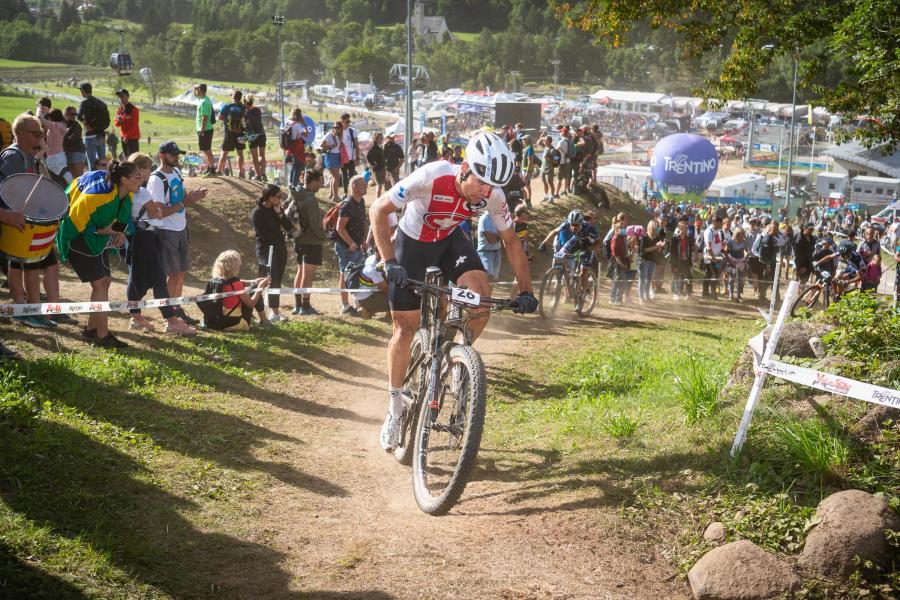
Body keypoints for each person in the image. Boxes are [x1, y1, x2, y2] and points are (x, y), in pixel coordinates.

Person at [369, 131, 537, 452]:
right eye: (482, 183)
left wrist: (526, 291)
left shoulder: (494, 195)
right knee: (404, 328)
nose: (486, 192)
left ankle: (459, 362)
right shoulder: (432, 176)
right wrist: (389, 262)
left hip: (449, 242)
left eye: (492, 187)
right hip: (413, 244)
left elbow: (511, 241)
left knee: (480, 299)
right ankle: (395, 409)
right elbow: (378, 209)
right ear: (464, 169)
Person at [0, 114, 75, 330]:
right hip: (14, 223)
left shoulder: (30, 156)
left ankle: (34, 310)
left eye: (42, 132)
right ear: (21, 134)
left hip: (28, 223)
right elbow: (7, 191)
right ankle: (22, 312)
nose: (41, 136)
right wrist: (10, 216)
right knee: (17, 265)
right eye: (36, 133)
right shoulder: (12, 158)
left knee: (31, 267)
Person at [57, 160, 141, 348]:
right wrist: (102, 231)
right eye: (137, 176)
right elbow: (72, 223)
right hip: (76, 237)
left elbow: (122, 218)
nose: (141, 179)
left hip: (97, 239)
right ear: (124, 179)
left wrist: (119, 232)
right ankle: (102, 336)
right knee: (100, 283)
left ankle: (91, 329)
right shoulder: (95, 196)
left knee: (105, 282)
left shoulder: (127, 195)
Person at [124, 152, 196, 335]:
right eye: (148, 168)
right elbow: (157, 213)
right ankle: (170, 320)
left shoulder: (127, 192)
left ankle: (137, 317)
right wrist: (180, 205)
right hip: (145, 238)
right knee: (156, 279)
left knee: (139, 279)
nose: (150, 172)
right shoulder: (142, 192)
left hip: (136, 238)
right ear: (140, 170)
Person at [148, 141, 209, 326]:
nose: (176, 157)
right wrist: (185, 203)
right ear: (162, 156)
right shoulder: (156, 179)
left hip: (181, 228)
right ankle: (170, 317)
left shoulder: (176, 172)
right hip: (167, 232)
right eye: (173, 154)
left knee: (181, 273)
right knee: (173, 275)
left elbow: (181, 197)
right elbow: (157, 212)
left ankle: (177, 309)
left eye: (177, 154)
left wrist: (193, 196)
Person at [285, 169, 326, 315]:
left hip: (298, 239)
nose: (321, 185)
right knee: (308, 274)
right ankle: (306, 306)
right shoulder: (311, 199)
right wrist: (323, 236)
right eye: (320, 182)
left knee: (300, 271)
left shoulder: (295, 194)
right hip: (311, 241)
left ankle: (298, 304)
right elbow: (314, 224)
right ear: (313, 181)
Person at [251, 184, 293, 323]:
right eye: (278, 196)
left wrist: (280, 214)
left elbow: (289, 227)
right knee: (265, 281)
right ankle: (254, 311)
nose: (280, 199)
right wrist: (279, 232)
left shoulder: (277, 209)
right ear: (269, 197)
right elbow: (264, 235)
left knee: (277, 280)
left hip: (280, 248)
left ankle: (274, 313)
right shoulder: (257, 212)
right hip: (266, 251)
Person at [202, 250, 271, 331]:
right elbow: (251, 304)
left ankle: (262, 320)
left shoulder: (215, 281)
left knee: (253, 287)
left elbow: (236, 283)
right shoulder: (235, 283)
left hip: (217, 320)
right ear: (234, 267)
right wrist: (260, 287)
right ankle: (264, 320)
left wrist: (252, 281)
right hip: (234, 322)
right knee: (254, 290)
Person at [335, 175, 369, 315]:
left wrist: (364, 241)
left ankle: (357, 302)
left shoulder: (361, 202)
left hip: (358, 245)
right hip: (345, 247)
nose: (366, 186)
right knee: (344, 274)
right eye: (363, 184)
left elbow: (362, 222)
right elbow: (339, 227)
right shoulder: (347, 204)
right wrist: (351, 243)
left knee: (358, 274)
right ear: (354, 186)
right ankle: (345, 305)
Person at [76, 83, 110, 170]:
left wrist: (86, 124)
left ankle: (94, 181)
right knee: (103, 162)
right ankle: (104, 179)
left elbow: (79, 116)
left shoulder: (84, 103)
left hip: (90, 136)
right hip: (101, 135)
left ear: (83, 91)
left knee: (92, 163)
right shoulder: (100, 102)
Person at [36, 102, 71, 184]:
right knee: (65, 177)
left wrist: (39, 108)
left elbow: (39, 117)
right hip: (60, 155)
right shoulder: (62, 125)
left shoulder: (53, 126)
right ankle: (72, 191)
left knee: (53, 179)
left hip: (53, 157)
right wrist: (49, 111)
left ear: (52, 117)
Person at [216, 90, 246, 178]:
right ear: (240, 98)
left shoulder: (227, 106)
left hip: (229, 133)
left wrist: (227, 120)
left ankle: (219, 170)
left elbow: (220, 117)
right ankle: (241, 172)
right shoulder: (243, 107)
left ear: (233, 97)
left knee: (224, 153)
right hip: (240, 133)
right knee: (240, 153)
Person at [355, 251, 389, 319]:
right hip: (366, 299)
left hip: (363, 294)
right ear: (378, 253)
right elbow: (386, 289)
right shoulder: (373, 270)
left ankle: (365, 308)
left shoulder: (371, 258)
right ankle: (367, 311)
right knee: (396, 300)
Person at [638, 220, 666, 303]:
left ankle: (647, 296)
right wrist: (655, 247)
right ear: (650, 228)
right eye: (655, 227)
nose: (656, 229)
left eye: (657, 227)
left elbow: (658, 251)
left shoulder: (657, 238)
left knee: (649, 280)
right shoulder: (644, 238)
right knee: (642, 280)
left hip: (652, 261)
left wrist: (661, 246)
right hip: (644, 261)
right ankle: (641, 298)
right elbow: (643, 251)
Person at [243, 95, 267, 182]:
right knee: (262, 155)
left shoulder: (246, 114)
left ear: (245, 102)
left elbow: (247, 125)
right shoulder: (258, 110)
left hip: (252, 136)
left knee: (255, 157)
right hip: (261, 133)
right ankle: (263, 174)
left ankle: (258, 175)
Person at [669, 217, 694, 300]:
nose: (684, 230)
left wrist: (690, 262)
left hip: (685, 261)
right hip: (676, 262)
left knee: (688, 277)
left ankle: (688, 294)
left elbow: (690, 252)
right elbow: (672, 253)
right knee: (676, 277)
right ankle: (676, 293)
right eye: (682, 228)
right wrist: (674, 265)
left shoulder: (688, 239)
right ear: (679, 228)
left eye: (685, 228)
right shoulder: (674, 239)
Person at [194, 84, 216, 176]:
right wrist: (194, 88)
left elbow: (205, 117)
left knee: (207, 150)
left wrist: (202, 130)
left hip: (205, 130)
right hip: (203, 129)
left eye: (197, 89)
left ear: (200, 90)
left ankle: (212, 169)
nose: (196, 91)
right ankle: (209, 168)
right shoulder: (202, 99)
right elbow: (195, 95)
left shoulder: (204, 102)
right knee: (205, 150)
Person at [285, 108, 309, 188]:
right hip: (297, 147)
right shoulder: (296, 125)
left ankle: (290, 183)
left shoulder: (288, 123)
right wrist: (304, 124)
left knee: (294, 166)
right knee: (298, 166)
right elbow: (306, 134)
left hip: (290, 147)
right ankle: (294, 185)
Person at [702, 216, 726, 299]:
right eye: (720, 223)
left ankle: (706, 292)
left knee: (709, 274)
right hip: (710, 256)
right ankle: (711, 293)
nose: (722, 224)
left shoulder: (717, 231)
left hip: (716, 256)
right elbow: (708, 246)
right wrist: (713, 258)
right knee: (714, 274)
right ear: (715, 222)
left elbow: (717, 243)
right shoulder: (709, 231)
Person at [319, 121, 343, 202]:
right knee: (336, 177)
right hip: (330, 157)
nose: (335, 129)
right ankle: (335, 196)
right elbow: (322, 145)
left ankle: (332, 195)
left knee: (334, 177)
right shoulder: (329, 135)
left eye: (337, 127)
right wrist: (332, 146)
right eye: (334, 127)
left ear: (340, 129)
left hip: (336, 156)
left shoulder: (337, 136)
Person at [477, 210, 502, 280]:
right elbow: (491, 240)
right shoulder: (485, 218)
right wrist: (498, 236)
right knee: (488, 277)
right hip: (485, 252)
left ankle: (489, 291)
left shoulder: (498, 219)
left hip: (497, 251)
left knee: (494, 279)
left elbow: (504, 236)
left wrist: (496, 236)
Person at [113, 89, 140, 156]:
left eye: (122, 96)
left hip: (132, 138)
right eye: (119, 97)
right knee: (126, 157)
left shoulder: (134, 109)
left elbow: (134, 126)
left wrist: (127, 136)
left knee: (134, 158)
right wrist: (119, 121)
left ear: (127, 97)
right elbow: (116, 123)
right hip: (123, 137)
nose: (121, 98)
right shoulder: (120, 109)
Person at [63, 105, 87, 178]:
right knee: (71, 178)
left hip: (77, 152)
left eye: (75, 114)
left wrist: (61, 141)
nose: (74, 116)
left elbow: (72, 139)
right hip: (68, 152)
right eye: (72, 114)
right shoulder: (63, 124)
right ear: (66, 114)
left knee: (78, 178)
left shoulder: (76, 125)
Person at [339, 113, 359, 195]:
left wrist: (357, 158)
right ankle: (345, 193)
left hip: (351, 158)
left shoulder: (352, 131)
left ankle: (352, 193)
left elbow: (357, 146)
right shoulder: (338, 131)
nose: (347, 123)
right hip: (342, 158)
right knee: (344, 175)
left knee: (352, 176)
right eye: (346, 121)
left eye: (348, 122)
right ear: (342, 121)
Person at [367, 132, 386, 198]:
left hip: (382, 168)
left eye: (382, 138)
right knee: (379, 185)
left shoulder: (379, 146)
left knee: (381, 185)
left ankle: (379, 198)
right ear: (376, 139)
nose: (381, 139)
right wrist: (373, 163)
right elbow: (368, 156)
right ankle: (377, 200)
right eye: (380, 138)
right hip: (376, 169)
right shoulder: (373, 147)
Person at [540, 135, 557, 202]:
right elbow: (538, 143)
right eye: (544, 141)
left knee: (550, 183)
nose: (544, 142)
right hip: (543, 169)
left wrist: (549, 159)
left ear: (549, 142)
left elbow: (556, 161)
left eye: (546, 141)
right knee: (544, 182)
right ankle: (546, 196)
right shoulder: (545, 148)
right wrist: (542, 137)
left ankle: (552, 197)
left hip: (549, 169)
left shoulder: (553, 150)